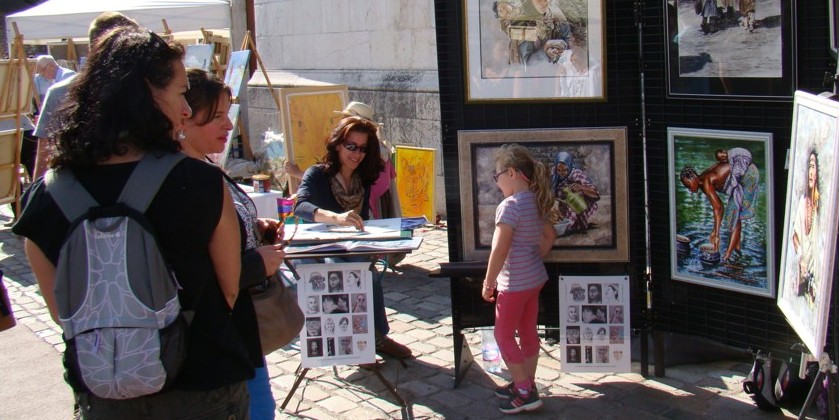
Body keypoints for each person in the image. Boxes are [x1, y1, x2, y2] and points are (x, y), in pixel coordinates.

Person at [12, 27, 250, 418]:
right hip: (200, 384)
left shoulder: (47, 195)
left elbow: (62, 311)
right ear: (146, 93)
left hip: (106, 390)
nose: (186, 109)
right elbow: (227, 291)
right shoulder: (201, 182)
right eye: (178, 93)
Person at [180, 67, 286, 420]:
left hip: (240, 331)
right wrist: (258, 264)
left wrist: (254, 227)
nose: (229, 125)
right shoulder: (185, 182)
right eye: (217, 117)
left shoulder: (208, 169)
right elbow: (199, 272)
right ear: (183, 117)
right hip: (220, 340)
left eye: (228, 114)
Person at [293, 116, 412, 360]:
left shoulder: (362, 178)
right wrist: (335, 217)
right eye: (351, 146)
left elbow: (363, 218)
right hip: (318, 250)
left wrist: (376, 239)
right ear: (338, 145)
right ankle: (359, 345)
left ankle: (377, 337)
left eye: (362, 148)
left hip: (348, 246)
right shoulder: (318, 174)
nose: (356, 154)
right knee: (350, 274)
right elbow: (301, 205)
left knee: (370, 273)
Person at [481, 144, 556, 414]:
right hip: (535, 278)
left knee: (503, 335)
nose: (497, 181)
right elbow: (550, 236)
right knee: (527, 332)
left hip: (513, 284)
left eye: (497, 175)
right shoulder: (536, 201)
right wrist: (535, 255)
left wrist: (489, 282)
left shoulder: (509, 206)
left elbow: (499, 250)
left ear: (511, 173)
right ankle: (527, 382)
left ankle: (524, 391)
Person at [32, 12, 140, 181]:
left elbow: (43, 158)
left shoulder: (59, 91)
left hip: (74, 191)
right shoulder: (144, 92)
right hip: (125, 188)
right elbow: (44, 152)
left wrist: (36, 197)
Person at [792, 149, 821, 304]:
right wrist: (801, 257)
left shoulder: (821, 207)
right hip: (803, 276)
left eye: (814, 166)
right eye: (809, 166)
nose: (811, 172)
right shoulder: (803, 202)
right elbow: (795, 235)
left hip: (816, 278)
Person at [720, 147, 759, 263]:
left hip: (748, 180)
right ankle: (737, 249)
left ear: (724, 152)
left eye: (722, 156)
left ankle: (728, 254)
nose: (723, 159)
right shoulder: (732, 160)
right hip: (748, 178)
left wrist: (729, 188)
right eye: (721, 159)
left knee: (735, 215)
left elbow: (738, 173)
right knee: (736, 215)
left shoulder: (736, 160)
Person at [552, 151, 600, 234]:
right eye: (559, 170)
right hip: (559, 204)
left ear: (569, 166)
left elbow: (595, 193)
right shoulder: (554, 173)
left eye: (564, 170)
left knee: (573, 198)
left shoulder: (576, 174)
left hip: (575, 204)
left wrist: (582, 188)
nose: (561, 173)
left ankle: (577, 223)